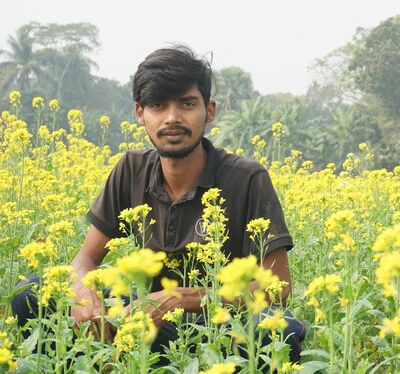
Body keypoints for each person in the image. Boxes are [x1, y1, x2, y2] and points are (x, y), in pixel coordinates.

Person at [12, 45, 304, 363]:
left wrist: (179, 299)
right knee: (32, 292)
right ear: (140, 113)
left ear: (210, 110)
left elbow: (278, 288)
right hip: (149, 320)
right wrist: (85, 294)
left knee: (279, 332)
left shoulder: (246, 178)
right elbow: (86, 257)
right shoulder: (131, 169)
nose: (172, 118)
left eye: (187, 104)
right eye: (158, 105)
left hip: (220, 327)